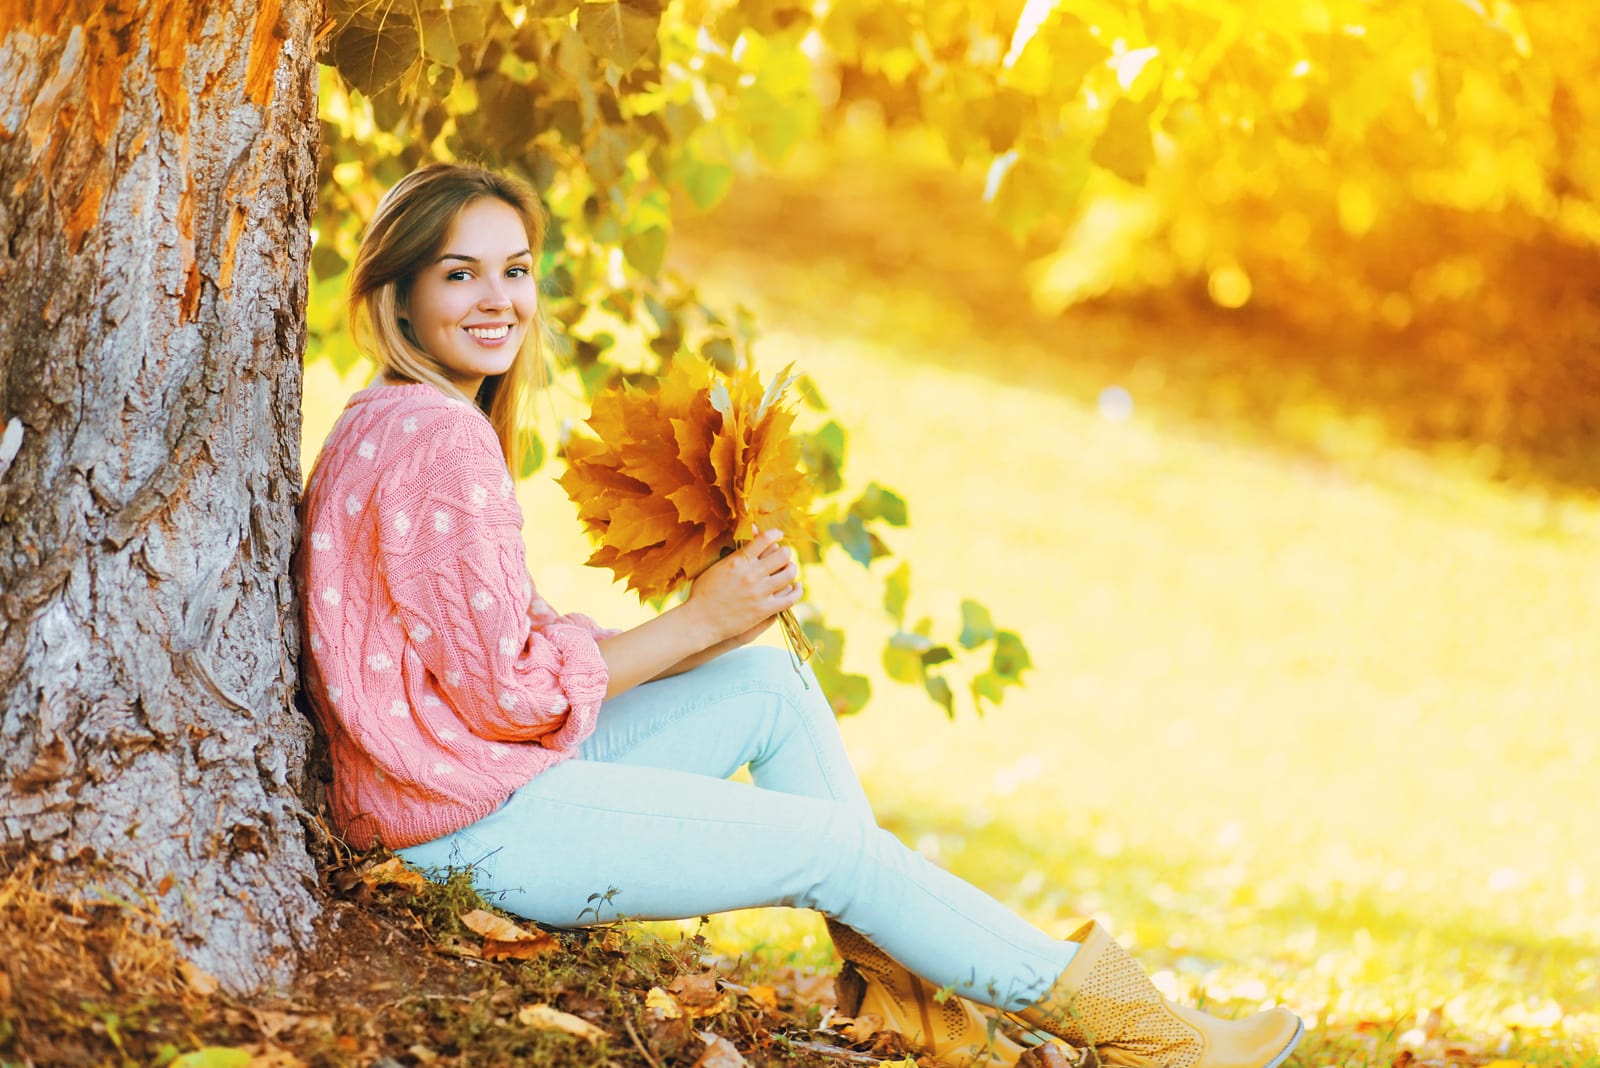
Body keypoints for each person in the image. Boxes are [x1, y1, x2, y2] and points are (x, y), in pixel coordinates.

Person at [295, 162, 1304, 1068]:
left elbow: (482, 659)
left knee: (768, 685)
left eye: (514, 269)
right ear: (398, 295)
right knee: (835, 849)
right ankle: (1149, 1040)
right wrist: (693, 623)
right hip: (460, 826)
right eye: (459, 273)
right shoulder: (441, 438)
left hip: (452, 790)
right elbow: (509, 694)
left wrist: (714, 628)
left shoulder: (389, 420)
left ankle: (910, 1011)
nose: (498, 298)